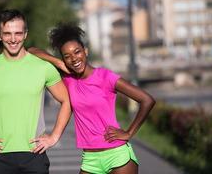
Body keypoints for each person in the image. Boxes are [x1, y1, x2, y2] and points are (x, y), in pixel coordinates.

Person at [0, 10, 71, 174]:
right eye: (7, 34)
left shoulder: (43, 68)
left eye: (18, 33)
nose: (13, 39)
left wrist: (54, 137)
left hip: (35, 156)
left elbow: (66, 101)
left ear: (25, 34)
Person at [28, 23, 155, 174]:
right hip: (90, 158)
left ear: (85, 51)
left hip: (118, 156)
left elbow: (147, 100)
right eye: (67, 56)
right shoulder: (68, 80)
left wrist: (128, 133)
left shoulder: (105, 77)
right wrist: (59, 62)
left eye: (77, 52)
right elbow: (31, 51)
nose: (74, 58)